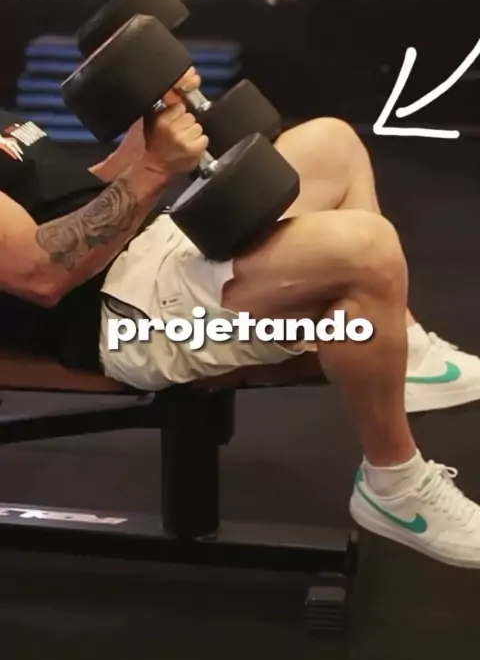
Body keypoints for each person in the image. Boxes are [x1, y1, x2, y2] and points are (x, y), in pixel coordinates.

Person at [0, 68, 480, 569]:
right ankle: (395, 483)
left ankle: (402, 350)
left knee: (333, 143)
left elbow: (69, 198)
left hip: (143, 253)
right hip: (120, 315)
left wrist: (142, 145)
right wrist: (155, 169)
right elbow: (40, 275)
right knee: (366, 251)